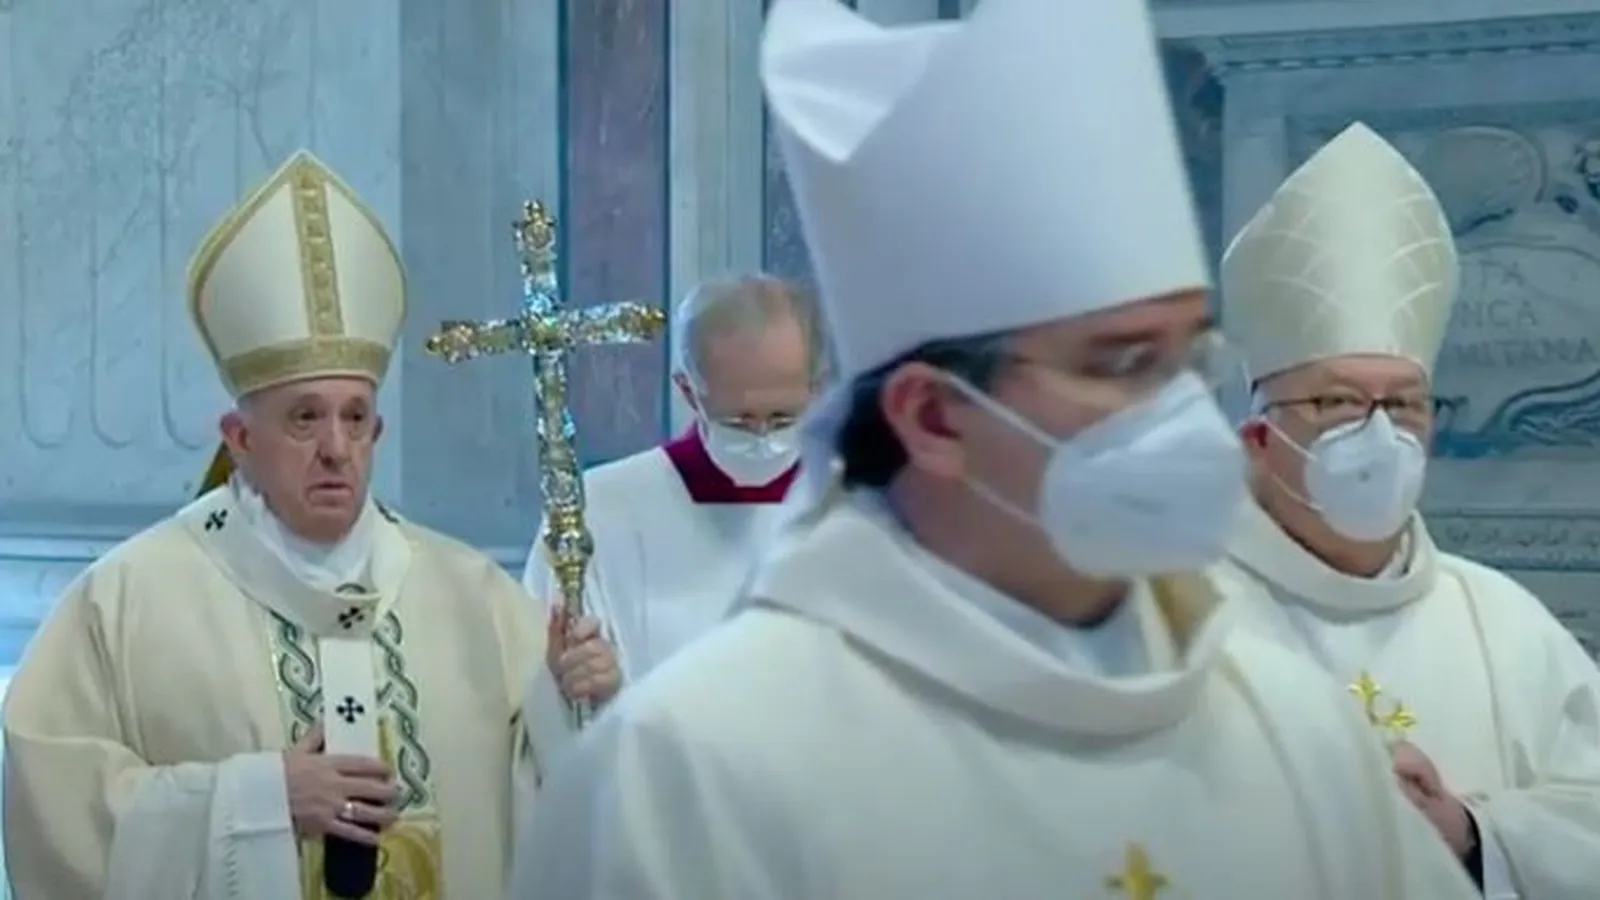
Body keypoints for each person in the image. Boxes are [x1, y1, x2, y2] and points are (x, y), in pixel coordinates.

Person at [509, 1, 1481, 897]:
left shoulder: (1293, 732)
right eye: (1121, 364)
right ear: (934, 418)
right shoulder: (692, 774)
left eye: (1189, 356)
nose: (1182, 411)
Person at [0, 150, 619, 900]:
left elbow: (556, 810)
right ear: (239, 438)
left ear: (377, 432)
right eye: (304, 418)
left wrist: (571, 702)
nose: (335, 447)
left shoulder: (476, 599)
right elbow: (57, 805)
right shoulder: (127, 601)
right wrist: (259, 801)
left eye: (355, 418)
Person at [1215, 120, 1600, 899]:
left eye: (1404, 404)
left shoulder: (1503, 624)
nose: (1379, 432)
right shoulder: (1172, 616)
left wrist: (1469, 832)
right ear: (1258, 436)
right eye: (1337, 401)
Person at [521, 273, 823, 679]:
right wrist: (591, 682)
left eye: (783, 418)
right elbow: (544, 676)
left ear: (818, 390)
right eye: (739, 421)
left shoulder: (860, 504)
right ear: (688, 391)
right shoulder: (597, 511)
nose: (763, 439)